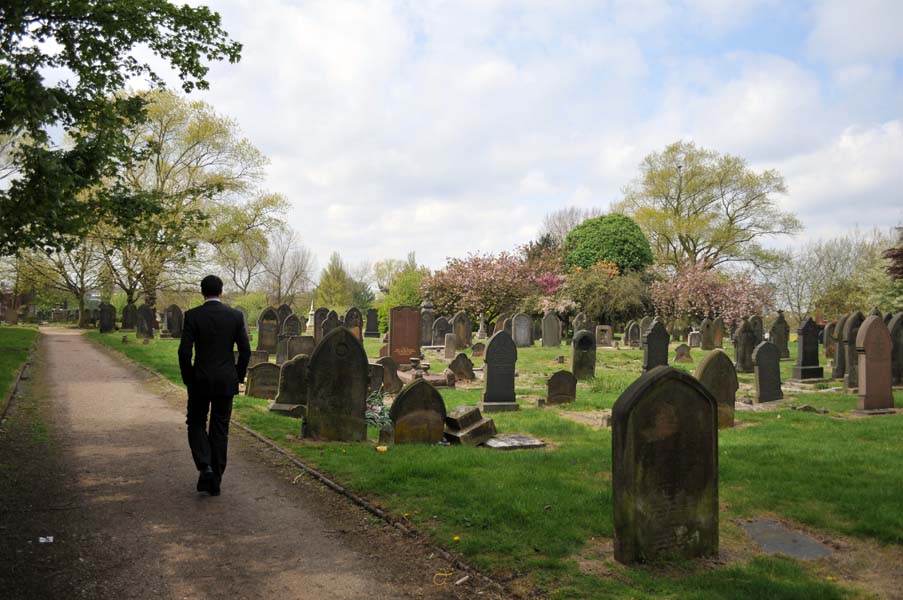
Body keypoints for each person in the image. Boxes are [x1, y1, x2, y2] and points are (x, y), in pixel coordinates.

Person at [178, 275, 251, 496]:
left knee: (197, 422)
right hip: (225, 380)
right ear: (221, 291)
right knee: (220, 427)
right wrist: (237, 377)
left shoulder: (193, 316)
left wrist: (189, 377)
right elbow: (246, 351)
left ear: (202, 292)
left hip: (200, 379)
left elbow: (184, 351)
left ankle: (205, 465)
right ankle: (215, 479)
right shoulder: (235, 316)